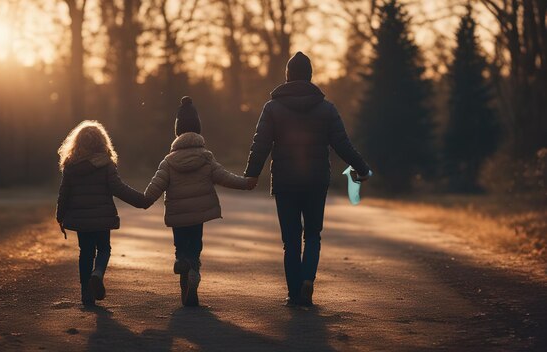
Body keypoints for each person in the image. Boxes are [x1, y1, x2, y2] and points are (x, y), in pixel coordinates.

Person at [244, 52, 371, 307]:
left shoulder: (272, 108)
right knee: (313, 235)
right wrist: (363, 169)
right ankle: (308, 279)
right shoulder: (326, 109)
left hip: (285, 183)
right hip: (315, 182)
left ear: (288, 76)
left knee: (290, 240)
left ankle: (294, 294)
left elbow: (260, 145)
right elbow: (342, 144)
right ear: (310, 76)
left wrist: (251, 175)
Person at [143, 96, 256, 306]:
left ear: (177, 131)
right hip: (198, 215)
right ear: (198, 129)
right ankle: (193, 277)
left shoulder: (168, 162)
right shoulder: (206, 157)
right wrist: (246, 183)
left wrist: (142, 200)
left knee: (181, 247)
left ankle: (181, 266)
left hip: (178, 216)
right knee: (195, 246)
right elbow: (225, 177)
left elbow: (154, 188)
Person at [56, 120, 147, 306]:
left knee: (86, 252)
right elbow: (119, 188)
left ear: (77, 143)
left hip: (81, 219)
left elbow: (64, 192)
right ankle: (97, 273)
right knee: (104, 249)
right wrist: (141, 200)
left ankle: (86, 293)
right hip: (102, 218)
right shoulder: (105, 164)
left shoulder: (71, 166)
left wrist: (60, 215)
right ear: (102, 143)